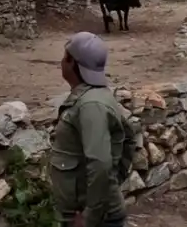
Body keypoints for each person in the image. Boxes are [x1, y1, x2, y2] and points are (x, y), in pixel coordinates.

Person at [48, 32, 136, 227]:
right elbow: (129, 139)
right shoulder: (96, 97)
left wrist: (90, 217)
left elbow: (100, 163)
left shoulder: (91, 105)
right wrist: (112, 182)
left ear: (72, 62)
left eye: (65, 56)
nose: (61, 62)